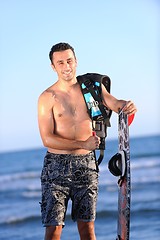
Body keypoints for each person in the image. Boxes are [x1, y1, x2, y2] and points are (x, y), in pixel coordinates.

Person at [38, 42, 137, 240]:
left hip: (86, 165)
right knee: (54, 229)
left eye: (69, 61)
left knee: (87, 229)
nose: (66, 66)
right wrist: (82, 144)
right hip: (56, 167)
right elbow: (47, 138)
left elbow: (113, 103)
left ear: (76, 61)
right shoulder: (47, 97)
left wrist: (125, 105)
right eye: (60, 63)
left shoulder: (91, 87)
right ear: (53, 67)